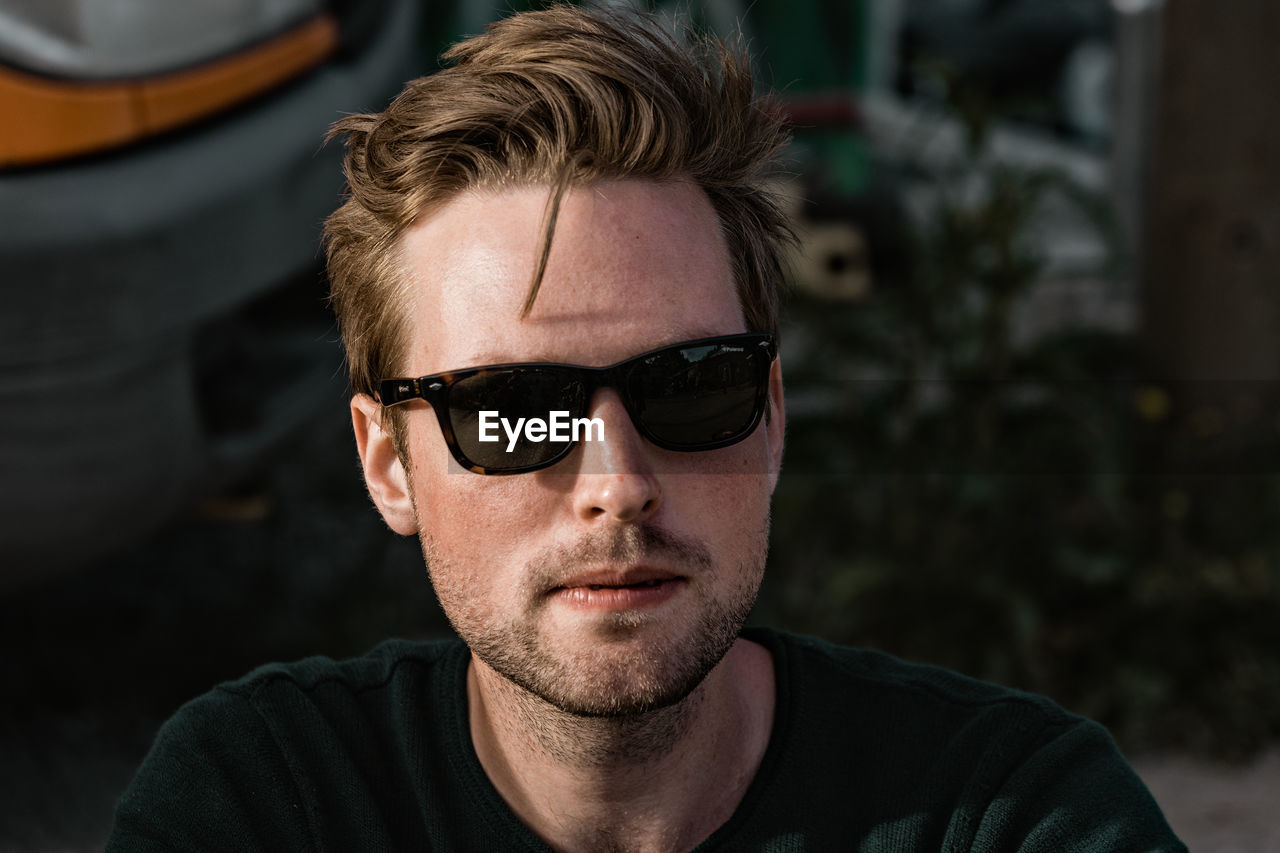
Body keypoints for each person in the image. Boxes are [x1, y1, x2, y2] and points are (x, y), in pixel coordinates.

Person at [108, 5, 1185, 851]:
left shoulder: (1006, 812)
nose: (615, 480)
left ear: (767, 422)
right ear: (388, 462)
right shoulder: (267, 803)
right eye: (513, 408)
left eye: (689, 386)